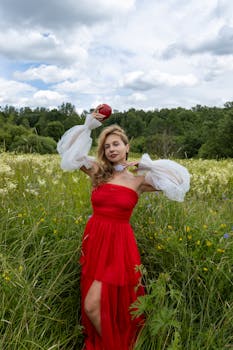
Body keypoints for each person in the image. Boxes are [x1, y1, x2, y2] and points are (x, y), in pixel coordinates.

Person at [57, 105, 190, 350]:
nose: (111, 149)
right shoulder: (98, 172)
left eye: (116, 144)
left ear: (127, 147)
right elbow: (68, 153)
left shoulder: (138, 180)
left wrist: (150, 166)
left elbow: (180, 182)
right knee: (93, 304)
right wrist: (88, 125)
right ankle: (112, 344)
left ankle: (116, 344)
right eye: (107, 146)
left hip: (119, 245)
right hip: (96, 240)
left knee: (96, 304)